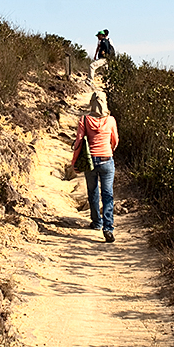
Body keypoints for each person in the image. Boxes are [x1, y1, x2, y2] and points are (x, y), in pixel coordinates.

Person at [71, 91, 119, 242]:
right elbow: (115, 140)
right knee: (107, 194)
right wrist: (109, 150)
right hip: (106, 160)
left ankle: (96, 222)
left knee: (92, 191)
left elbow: (78, 143)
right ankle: (108, 228)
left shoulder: (84, 120)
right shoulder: (111, 120)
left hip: (90, 161)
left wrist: (74, 163)